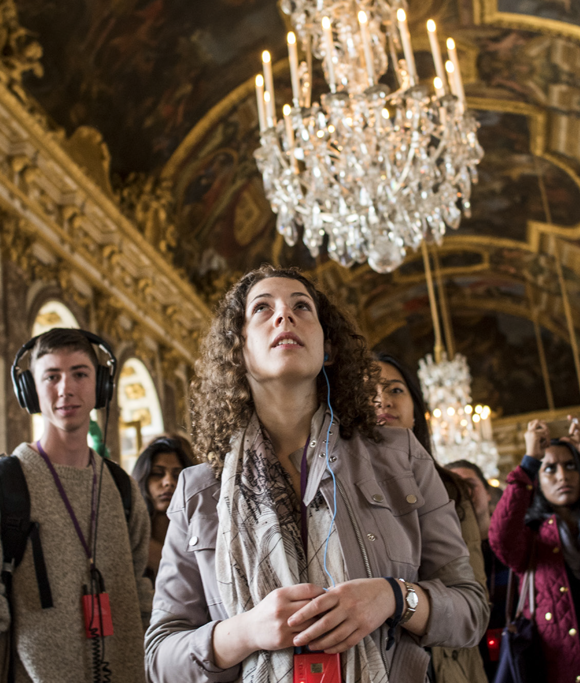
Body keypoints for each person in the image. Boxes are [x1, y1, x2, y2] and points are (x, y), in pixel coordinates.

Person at [145, 265, 489, 683]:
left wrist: (395, 597)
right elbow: (160, 656)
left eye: (301, 306)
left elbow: (471, 612)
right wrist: (247, 632)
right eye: (262, 309)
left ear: (327, 347)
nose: (284, 315)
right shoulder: (197, 490)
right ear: (239, 349)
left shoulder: (401, 457)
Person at [5, 327, 152, 683]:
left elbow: (140, 593)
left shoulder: (123, 489)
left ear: (101, 386)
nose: (65, 388)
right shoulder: (7, 484)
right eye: (51, 376)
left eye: (80, 374)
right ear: (30, 391)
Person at [375, 353, 489, 683]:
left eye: (395, 390)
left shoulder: (450, 489)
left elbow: (472, 600)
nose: (383, 400)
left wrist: (399, 600)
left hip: (448, 661)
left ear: (416, 412)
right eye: (368, 392)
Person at [488, 418, 580, 681]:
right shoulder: (531, 537)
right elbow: (500, 537)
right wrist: (529, 462)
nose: (562, 476)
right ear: (537, 480)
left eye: (571, 466)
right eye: (550, 468)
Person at [445, 460, 508, 680]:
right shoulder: (445, 559)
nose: (463, 491)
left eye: (470, 484)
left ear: (488, 493)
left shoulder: (511, 545)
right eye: (453, 485)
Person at [132, 436, 194, 583]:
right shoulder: (131, 537)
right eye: (157, 474)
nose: (168, 482)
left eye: (177, 475)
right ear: (143, 479)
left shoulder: (198, 535)